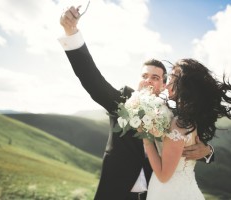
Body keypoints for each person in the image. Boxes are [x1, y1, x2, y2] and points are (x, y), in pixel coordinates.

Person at [59, 6, 214, 200]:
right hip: (115, 193)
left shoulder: (175, 115)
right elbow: (92, 80)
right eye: (145, 75)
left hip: (155, 193)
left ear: (164, 84)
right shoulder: (124, 101)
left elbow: (193, 141)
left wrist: (208, 152)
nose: (149, 80)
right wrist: (71, 33)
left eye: (155, 77)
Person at [143, 59, 231, 200]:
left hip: (167, 191)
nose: (166, 85)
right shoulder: (187, 118)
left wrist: (146, 139)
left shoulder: (179, 123)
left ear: (184, 85)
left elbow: (164, 175)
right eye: (145, 76)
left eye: (172, 78)